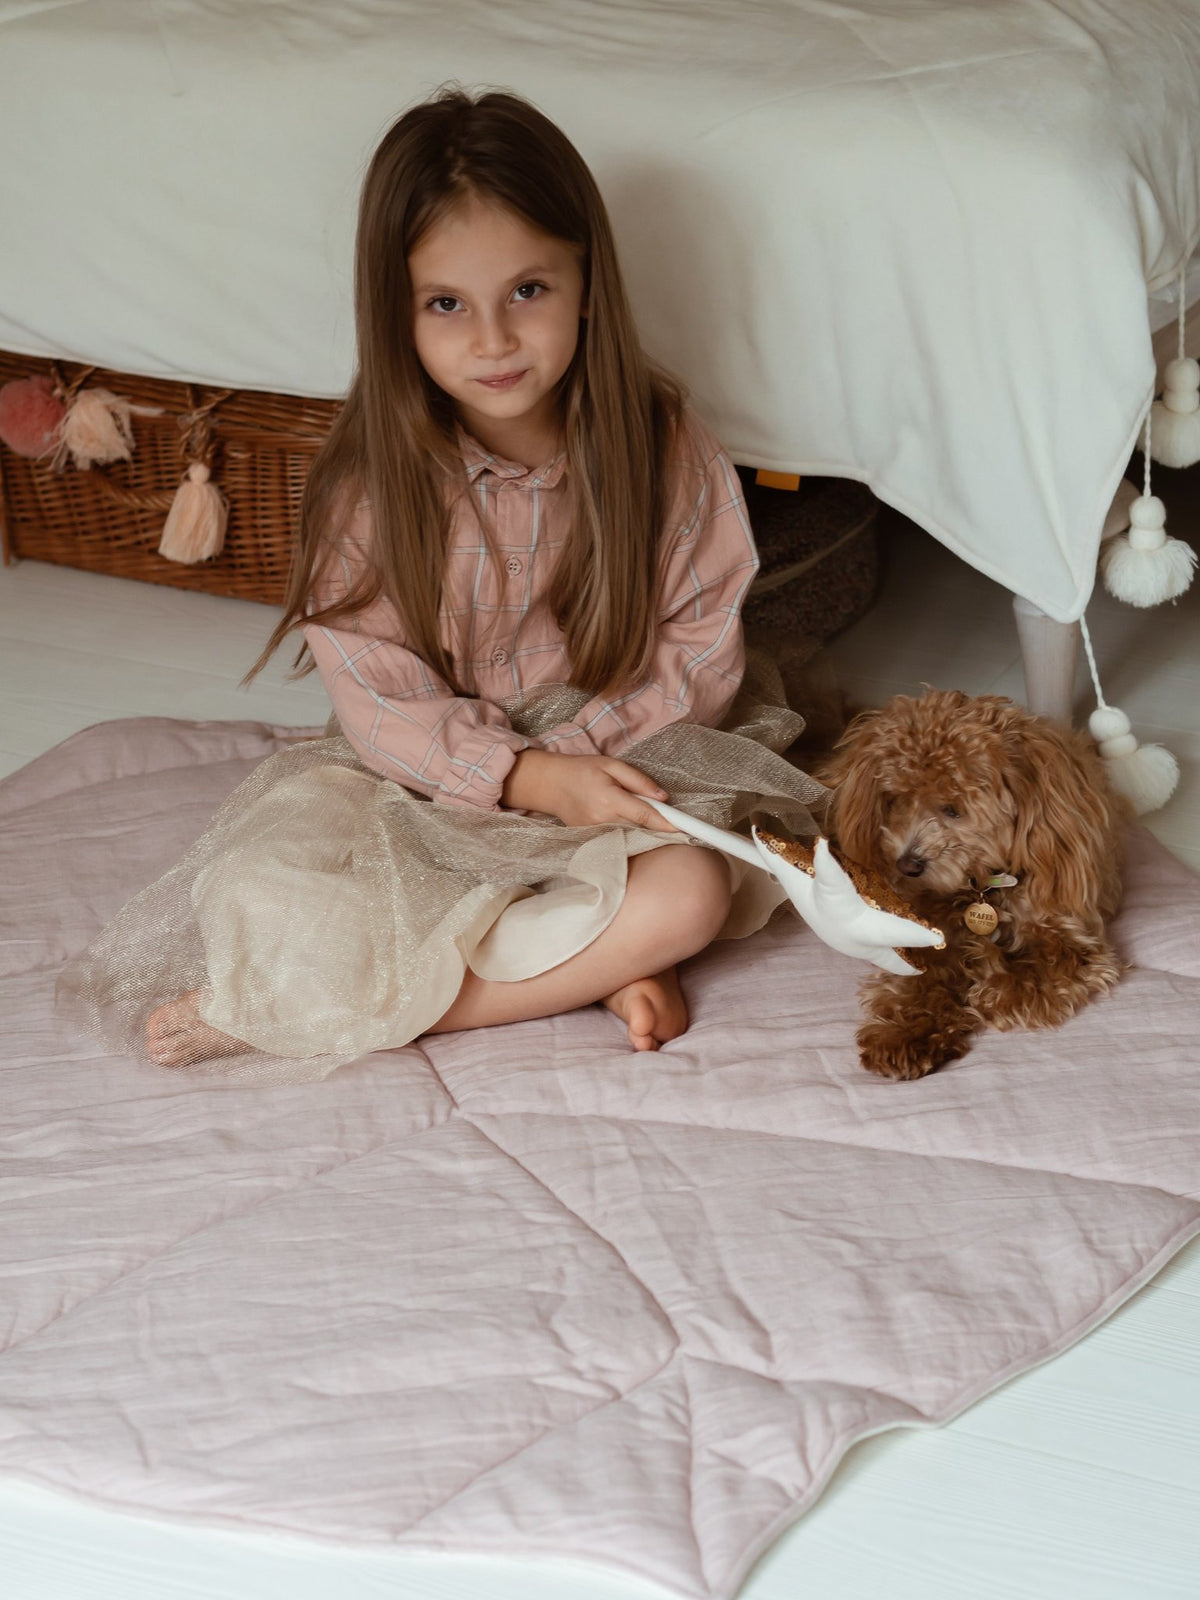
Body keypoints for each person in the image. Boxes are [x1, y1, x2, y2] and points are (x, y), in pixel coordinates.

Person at [58, 87, 824, 1083]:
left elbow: (699, 642)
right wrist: (517, 778)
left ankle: (386, 1001)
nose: (495, 340)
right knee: (274, 889)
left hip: (626, 755)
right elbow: (377, 691)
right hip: (425, 780)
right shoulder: (371, 483)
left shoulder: (664, 448)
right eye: (447, 305)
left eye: (529, 291)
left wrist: (576, 772)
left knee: (692, 892)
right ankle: (586, 968)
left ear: (588, 284)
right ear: (399, 315)